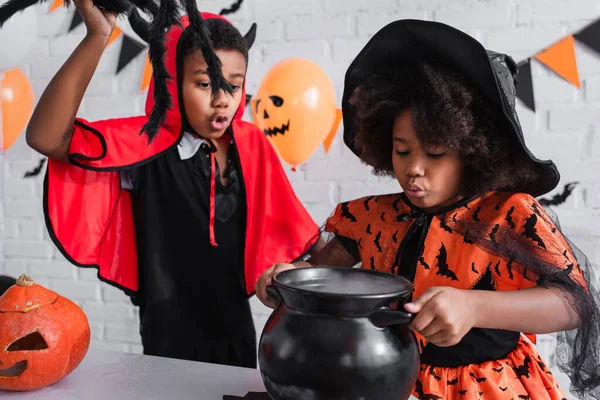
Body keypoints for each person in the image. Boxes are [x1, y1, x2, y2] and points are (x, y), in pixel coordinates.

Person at [256, 19, 600, 399]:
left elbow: (573, 304)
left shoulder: (509, 215)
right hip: (384, 379)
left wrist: (475, 307)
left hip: (483, 388)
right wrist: (287, 280)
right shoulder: (372, 218)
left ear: (473, 153)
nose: (413, 167)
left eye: (435, 153)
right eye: (402, 150)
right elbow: (318, 274)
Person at [23, 0, 318, 368]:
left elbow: (287, 238)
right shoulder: (145, 142)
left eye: (234, 85)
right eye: (205, 83)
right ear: (172, 82)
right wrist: (97, 36)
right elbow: (45, 138)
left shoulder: (251, 143)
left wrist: (284, 274)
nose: (221, 100)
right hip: (166, 333)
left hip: (238, 331)